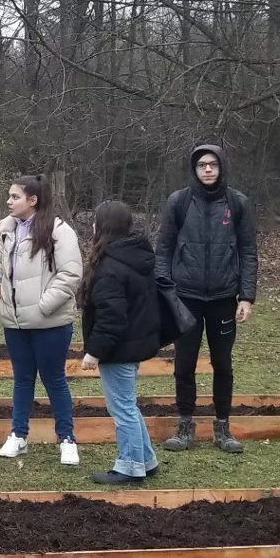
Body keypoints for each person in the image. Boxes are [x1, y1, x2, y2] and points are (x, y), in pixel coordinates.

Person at [156, 144, 258, 454]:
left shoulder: (237, 203)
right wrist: (165, 292)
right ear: (195, 169)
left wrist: (247, 296)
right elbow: (164, 250)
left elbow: (248, 251)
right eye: (202, 165)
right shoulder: (179, 201)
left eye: (213, 164)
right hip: (185, 298)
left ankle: (223, 428)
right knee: (184, 364)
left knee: (222, 365)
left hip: (224, 298)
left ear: (222, 167)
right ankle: (185, 426)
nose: (208, 170)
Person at [0, 174, 83, 465]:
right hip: (15, 323)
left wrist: (44, 306)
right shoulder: (8, 229)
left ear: (33, 200)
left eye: (15, 196)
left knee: (54, 380)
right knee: (22, 380)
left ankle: (67, 439)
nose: (9, 201)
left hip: (50, 323)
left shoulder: (59, 231)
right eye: (9, 196)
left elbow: (70, 274)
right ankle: (18, 436)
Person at [78, 201, 161, 484]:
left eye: (95, 221)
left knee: (122, 408)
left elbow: (112, 318)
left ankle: (130, 465)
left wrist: (94, 352)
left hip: (119, 349)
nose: (91, 226)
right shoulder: (133, 257)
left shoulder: (110, 267)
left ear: (104, 227)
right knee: (128, 404)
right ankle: (146, 460)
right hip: (132, 345)